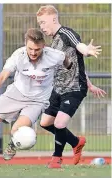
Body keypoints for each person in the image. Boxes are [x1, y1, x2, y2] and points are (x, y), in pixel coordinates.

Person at [0, 28, 72, 169]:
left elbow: (68, 62)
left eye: (37, 49)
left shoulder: (55, 55)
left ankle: (14, 143)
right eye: (30, 48)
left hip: (37, 101)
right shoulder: (18, 55)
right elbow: (3, 75)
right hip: (15, 93)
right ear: (25, 44)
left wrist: (68, 72)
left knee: (16, 130)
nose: (33, 52)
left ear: (44, 45)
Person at [36, 5, 106, 169]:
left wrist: (87, 50)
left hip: (74, 88)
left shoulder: (67, 33)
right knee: (45, 123)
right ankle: (76, 142)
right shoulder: (53, 43)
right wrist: (91, 83)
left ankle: (56, 159)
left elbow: (79, 46)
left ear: (53, 19)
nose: (42, 27)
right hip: (58, 89)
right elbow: (77, 64)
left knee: (59, 124)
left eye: (43, 22)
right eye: (39, 24)